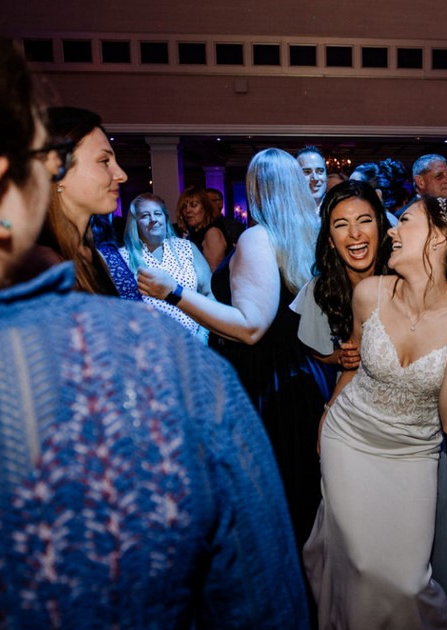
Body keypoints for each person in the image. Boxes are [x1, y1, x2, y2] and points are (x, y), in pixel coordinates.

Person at [0, 18, 309, 630]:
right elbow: (260, 596)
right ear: (6, 187)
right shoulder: (152, 358)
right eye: (106, 160)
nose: (124, 177)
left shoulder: (113, 263)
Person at [303, 196, 447, 630]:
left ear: (439, 237)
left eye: (404, 222)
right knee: (362, 563)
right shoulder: (368, 293)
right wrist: (331, 405)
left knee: (408, 580)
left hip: (413, 453)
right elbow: (353, 363)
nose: (391, 230)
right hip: (348, 440)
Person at [138, 148, 326, 549]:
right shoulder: (306, 235)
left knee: (266, 514)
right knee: (298, 510)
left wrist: (173, 292)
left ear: (256, 188)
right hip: (297, 380)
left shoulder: (259, 237)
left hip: (266, 386)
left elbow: (251, 327)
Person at [36, 106, 139, 300]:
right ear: (57, 171)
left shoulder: (87, 252)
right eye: (104, 161)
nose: (121, 175)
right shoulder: (40, 266)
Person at [118, 192, 214, 341]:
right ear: (135, 223)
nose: (153, 219)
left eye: (157, 213)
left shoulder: (187, 249)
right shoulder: (124, 257)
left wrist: (203, 334)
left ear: (165, 218)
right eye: (144, 216)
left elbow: (209, 293)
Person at [174, 185, 230, 271]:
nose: (187, 210)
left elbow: (213, 275)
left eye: (193, 205)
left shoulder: (212, 233)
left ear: (205, 207)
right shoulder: (193, 232)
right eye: (184, 207)